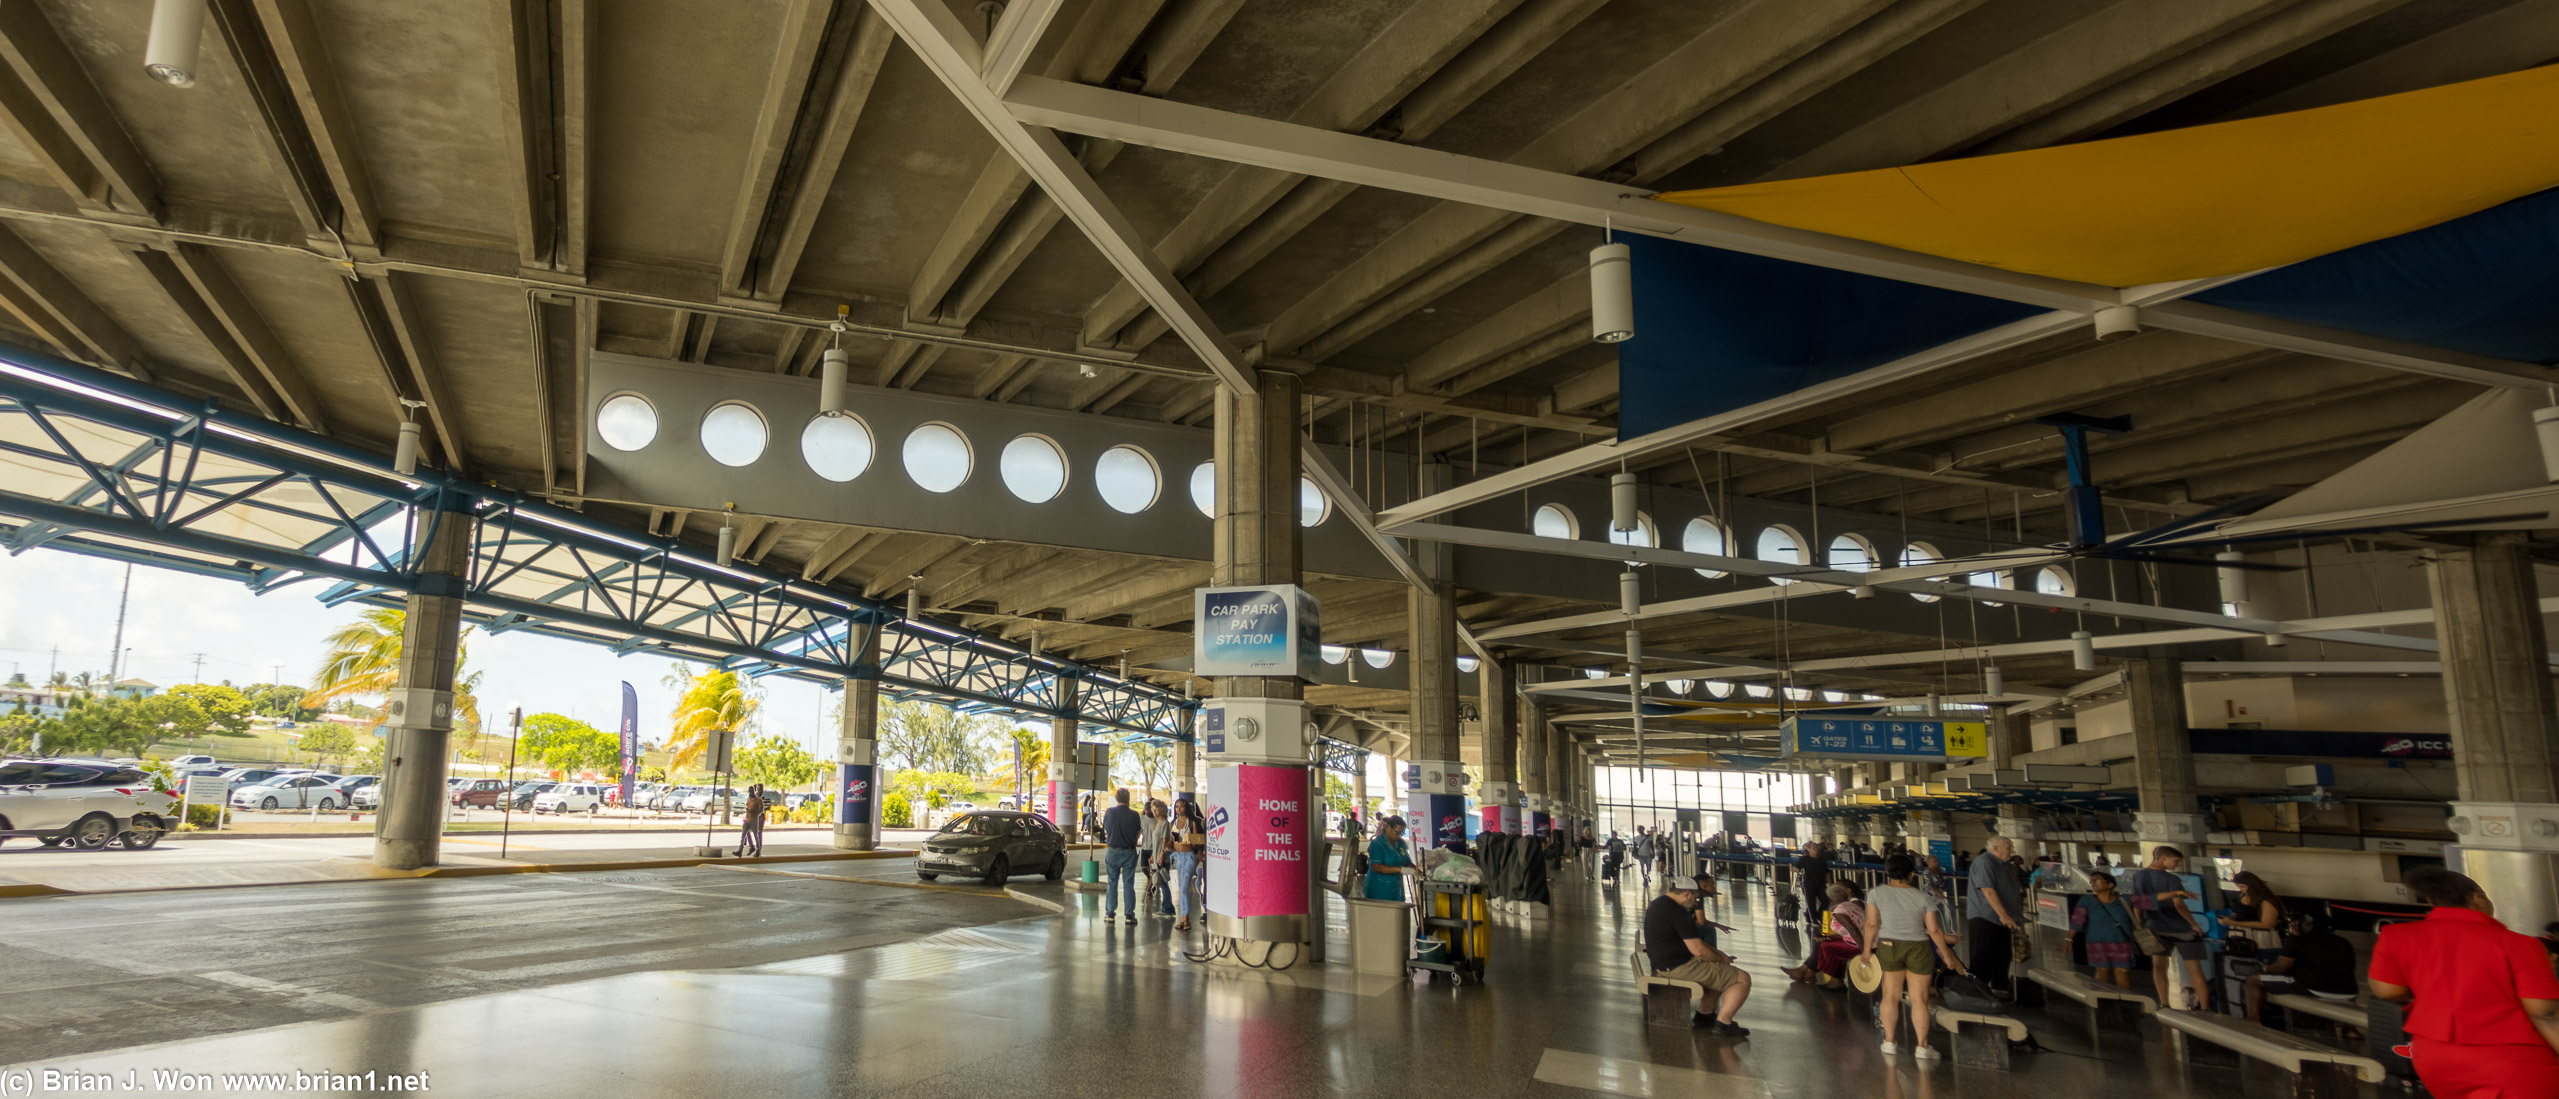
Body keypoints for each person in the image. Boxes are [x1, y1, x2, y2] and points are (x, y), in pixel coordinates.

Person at [2369, 866, 2559, 1097]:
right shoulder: (2520, 944)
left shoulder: (2397, 936)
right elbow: (2544, 1013)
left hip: (2434, 1058)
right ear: (2478, 899)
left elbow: (2387, 991)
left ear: (2431, 900)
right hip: (2511, 1060)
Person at [1866, 854, 1963, 1059]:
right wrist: (1946, 955)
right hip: (1918, 947)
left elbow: (1872, 925)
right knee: (1920, 999)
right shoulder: (1923, 897)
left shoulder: (1876, 893)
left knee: (1890, 996)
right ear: (1912, 874)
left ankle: (1890, 1041)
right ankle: (1922, 1046)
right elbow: (1934, 931)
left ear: (1888, 873)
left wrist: (1866, 951)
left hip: (1888, 945)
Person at [1642, 874, 1752, 1036]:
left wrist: (1717, 954)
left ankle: (1705, 1015)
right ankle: (1724, 1023)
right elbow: (1698, 951)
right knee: (1743, 979)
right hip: (1678, 967)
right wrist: (1722, 958)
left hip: (1664, 962)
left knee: (1719, 970)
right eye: (1696, 898)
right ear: (1687, 894)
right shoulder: (1678, 913)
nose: (1696, 903)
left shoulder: (1660, 903)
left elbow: (1696, 944)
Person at [2127, 845, 2211, 1011]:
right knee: (2195, 970)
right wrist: (2193, 924)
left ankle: (2164, 1003)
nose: (2177, 865)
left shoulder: (2139, 876)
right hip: (2182, 929)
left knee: (2158, 966)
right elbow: (2179, 904)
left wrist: (2141, 924)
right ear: (2164, 858)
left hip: (2156, 927)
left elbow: (2137, 903)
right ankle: (2205, 1009)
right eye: (2176, 861)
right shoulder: (2172, 880)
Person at [2224, 870, 2288, 1022]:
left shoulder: (2266, 901)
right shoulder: (2243, 897)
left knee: (2261, 968)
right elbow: (2237, 912)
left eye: (2243, 886)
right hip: (2241, 937)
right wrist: (2230, 919)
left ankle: (2262, 1011)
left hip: (2261, 938)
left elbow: (2267, 923)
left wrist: (2234, 923)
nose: (2241, 890)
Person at [1967, 836, 2023, 996]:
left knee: (2003, 955)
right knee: (1983, 955)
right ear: (1996, 848)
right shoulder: (1984, 862)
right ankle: (1977, 991)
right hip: (1986, 917)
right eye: (2009, 848)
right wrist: (2004, 915)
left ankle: (2000, 988)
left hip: (2003, 919)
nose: (2012, 851)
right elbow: (1988, 890)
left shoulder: (2006, 866)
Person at [1783, 883, 1866, 987]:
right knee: (1823, 942)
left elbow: (1854, 931)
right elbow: (1849, 931)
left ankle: (1813, 974)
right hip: (1862, 940)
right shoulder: (1851, 906)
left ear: (1830, 899)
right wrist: (1830, 937)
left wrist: (1865, 952)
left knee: (1824, 946)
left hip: (1860, 943)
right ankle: (1807, 972)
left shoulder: (1839, 911)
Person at [2071, 870, 2140, 990]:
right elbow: (2077, 920)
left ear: (2110, 884)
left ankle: (2125, 1000)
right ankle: (2101, 1000)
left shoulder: (2124, 900)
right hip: (2097, 943)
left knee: (2122, 973)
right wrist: (2069, 938)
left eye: (2096, 880)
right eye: (2091, 881)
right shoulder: (2087, 900)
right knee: (2102, 971)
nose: (2093, 883)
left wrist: (2174, 894)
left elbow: (2151, 899)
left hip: (2121, 943)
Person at [1099, 788, 1143, 925]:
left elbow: (1106, 828)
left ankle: (1110, 913)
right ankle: (1129, 915)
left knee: (1112, 883)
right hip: (1129, 851)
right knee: (1128, 883)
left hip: (1112, 851)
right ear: (1128, 799)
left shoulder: (1109, 813)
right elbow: (1138, 831)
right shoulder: (1134, 815)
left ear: (1116, 798)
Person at [1167, 798, 1206, 931]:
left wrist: (1198, 851)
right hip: (1179, 856)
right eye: (1177, 807)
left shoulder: (1192, 822)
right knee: (1181, 886)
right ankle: (1184, 918)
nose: (1179, 809)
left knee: (1183, 888)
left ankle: (1186, 918)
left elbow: (1199, 839)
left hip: (1189, 855)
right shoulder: (1175, 822)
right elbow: (1172, 839)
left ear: (1186, 807)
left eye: (1181, 806)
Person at [1362, 816, 1415, 901]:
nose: (1398, 835)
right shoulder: (1377, 844)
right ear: (1388, 827)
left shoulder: (1401, 843)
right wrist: (1400, 869)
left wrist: (1419, 872)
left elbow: (1406, 862)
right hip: (1379, 890)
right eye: (1397, 832)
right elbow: (1376, 867)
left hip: (1396, 889)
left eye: (1401, 833)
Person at [1138, 799, 1172, 919]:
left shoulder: (1164, 824)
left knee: (1163, 884)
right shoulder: (1157, 824)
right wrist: (1153, 855)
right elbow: (1156, 843)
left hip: (1161, 859)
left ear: (1162, 810)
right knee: (1161, 882)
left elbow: (1164, 842)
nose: (1155, 812)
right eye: (1153, 810)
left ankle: (1166, 908)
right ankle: (1169, 907)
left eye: (1156, 810)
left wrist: (1161, 856)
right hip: (1156, 857)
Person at [737, 784, 766, 857]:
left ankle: (758, 849)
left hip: (760, 817)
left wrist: (755, 812)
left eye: (760, 789)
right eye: (758, 789)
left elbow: (762, 809)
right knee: (746, 832)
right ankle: (751, 847)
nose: (759, 791)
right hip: (750, 817)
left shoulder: (762, 798)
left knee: (757, 834)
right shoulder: (753, 796)